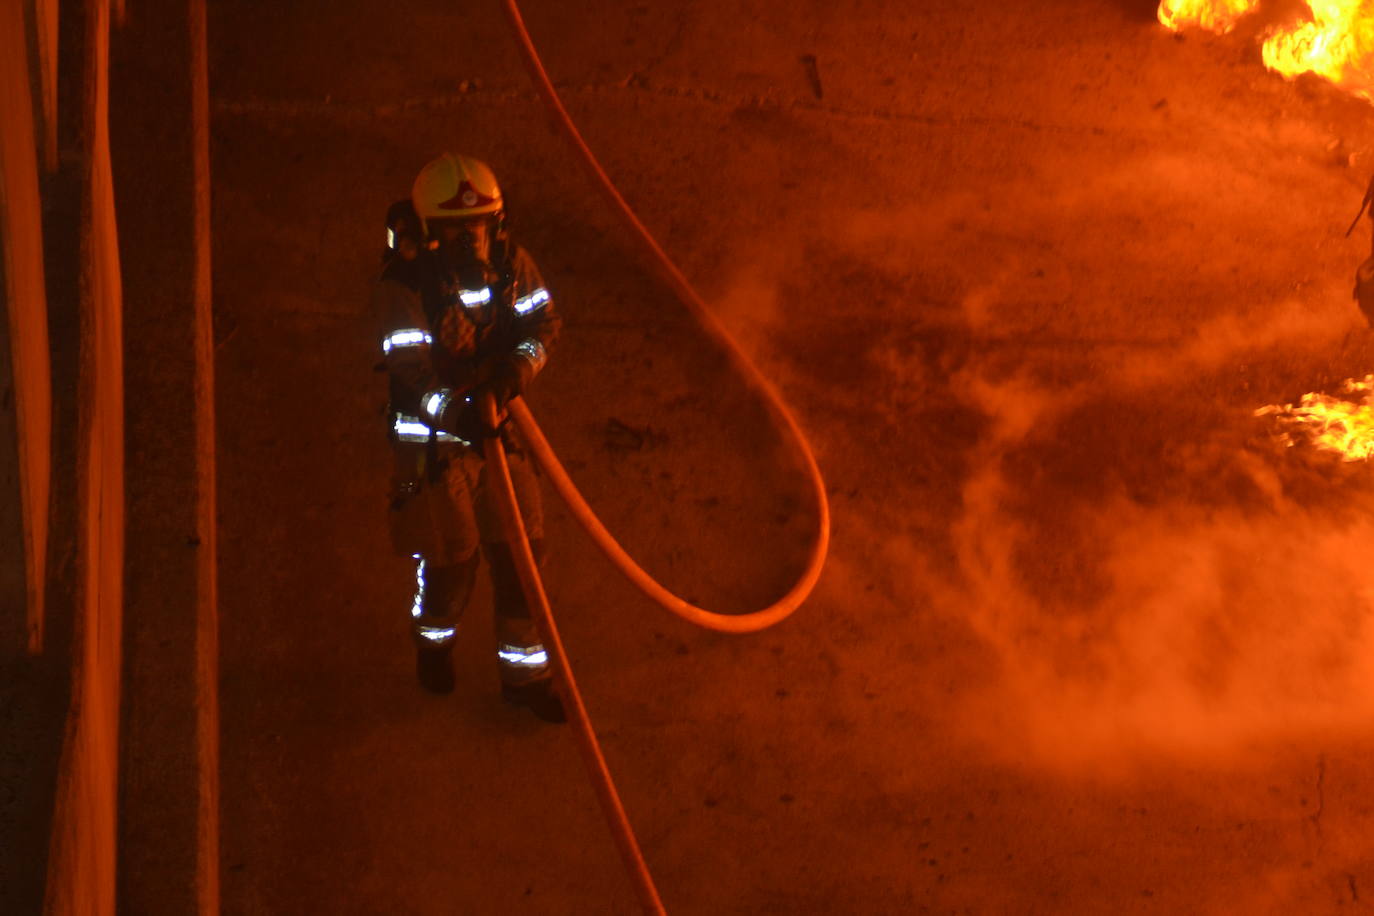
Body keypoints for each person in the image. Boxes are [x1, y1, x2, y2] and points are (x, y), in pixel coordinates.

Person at [373, 153, 565, 722]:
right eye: (455, 230)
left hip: (500, 433)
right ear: (430, 231)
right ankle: (433, 646)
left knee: (523, 556)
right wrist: (458, 417)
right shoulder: (403, 287)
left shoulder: (512, 265)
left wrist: (517, 371)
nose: (470, 241)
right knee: (453, 563)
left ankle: (525, 680)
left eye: (478, 227)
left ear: (497, 224)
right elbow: (412, 374)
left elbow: (543, 324)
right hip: (437, 449)